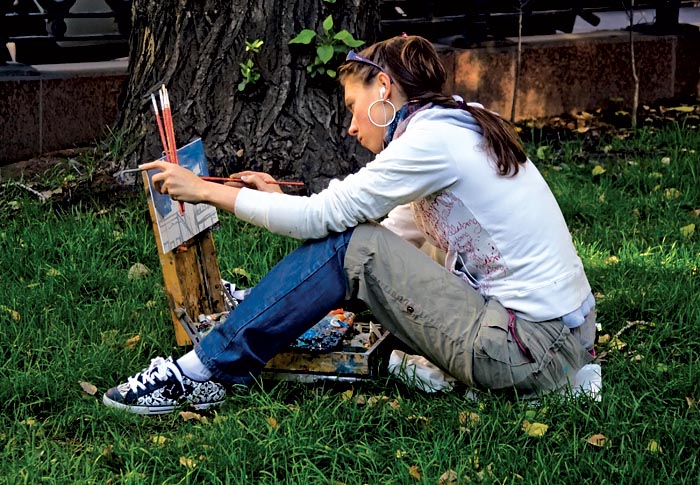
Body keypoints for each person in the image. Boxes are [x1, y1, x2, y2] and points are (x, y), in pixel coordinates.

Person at [103, 35, 599, 415]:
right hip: (555, 342)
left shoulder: (431, 142)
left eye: (352, 107)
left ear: (383, 88)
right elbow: (387, 248)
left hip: (528, 350)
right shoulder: (452, 124)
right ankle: (240, 327)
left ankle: (203, 372)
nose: (351, 126)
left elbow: (341, 235)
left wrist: (207, 190)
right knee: (356, 245)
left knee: (353, 244)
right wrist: (280, 204)